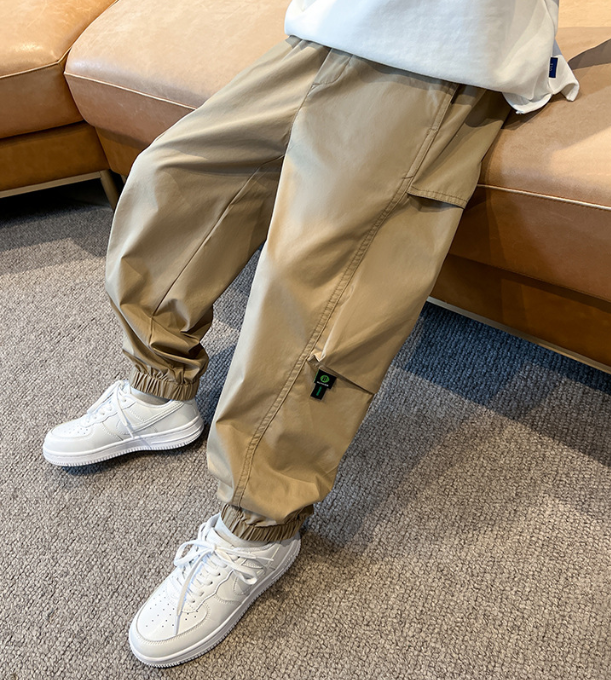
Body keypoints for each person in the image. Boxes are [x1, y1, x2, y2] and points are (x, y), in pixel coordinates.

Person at [43, 0, 578, 668]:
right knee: (172, 177)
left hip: (443, 59)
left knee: (315, 288)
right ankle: (160, 384)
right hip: (335, 30)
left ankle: (257, 529)